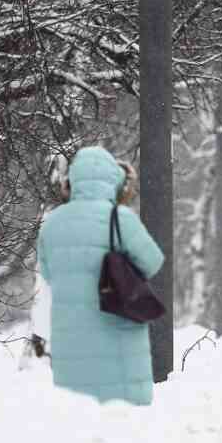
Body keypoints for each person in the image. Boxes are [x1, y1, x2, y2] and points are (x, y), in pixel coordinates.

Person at [36, 147, 164, 405]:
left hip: (71, 350)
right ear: (115, 181)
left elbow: (48, 274)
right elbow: (153, 262)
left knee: (79, 420)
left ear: (71, 181)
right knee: (122, 422)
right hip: (120, 346)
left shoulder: (52, 224)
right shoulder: (121, 219)